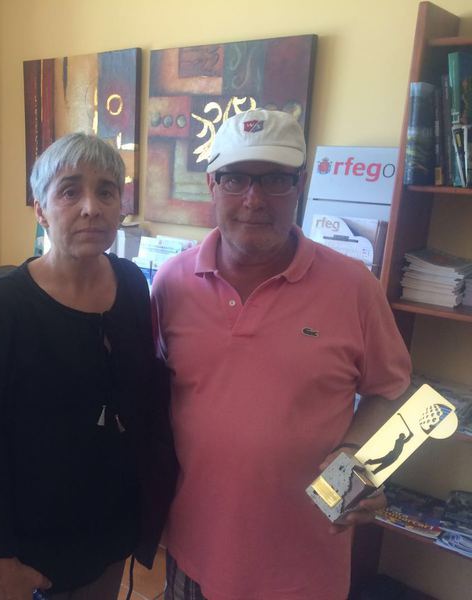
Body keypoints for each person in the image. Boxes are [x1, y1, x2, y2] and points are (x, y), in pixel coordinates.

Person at [151, 109, 412, 600]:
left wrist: (358, 457)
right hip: (193, 556)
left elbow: (393, 391)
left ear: (300, 184)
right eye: (235, 179)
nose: (254, 199)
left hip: (303, 569)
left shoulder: (354, 287)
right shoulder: (171, 284)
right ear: (211, 185)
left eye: (274, 179)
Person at [0, 133, 177, 600]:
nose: (91, 208)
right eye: (70, 191)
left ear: (120, 207)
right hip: (29, 547)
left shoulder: (132, 285)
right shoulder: (1, 307)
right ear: (41, 210)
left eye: (106, 191)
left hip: (109, 532)